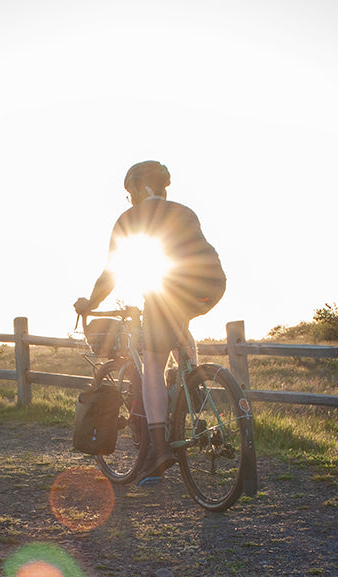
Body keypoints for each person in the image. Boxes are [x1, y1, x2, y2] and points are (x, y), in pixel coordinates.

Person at [74, 160, 226, 482]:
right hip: (212, 285)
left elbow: (111, 272)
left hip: (171, 288)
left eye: (130, 192)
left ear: (141, 187)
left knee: (153, 366)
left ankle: (160, 448)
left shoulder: (131, 218)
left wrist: (91, 302)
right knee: (178, 323)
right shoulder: (185, 211)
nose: (129, 199)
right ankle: (194, 385)